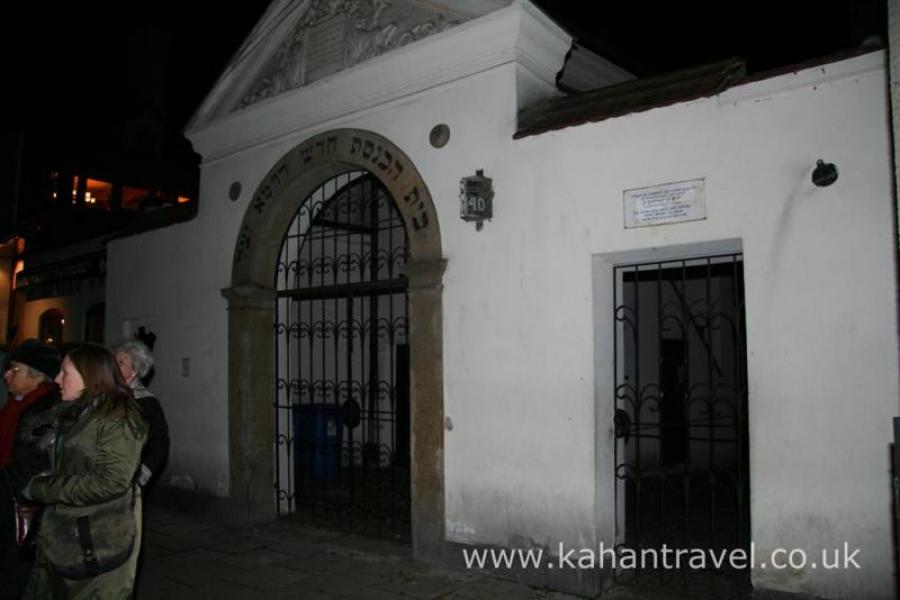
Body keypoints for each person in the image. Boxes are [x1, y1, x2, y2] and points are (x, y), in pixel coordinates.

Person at [23, 344, 147, 600]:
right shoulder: (79, 413)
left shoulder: (115, 419)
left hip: (95, 540)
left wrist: (43, 488)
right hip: (67, 535)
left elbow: (111, 482)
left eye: (65, 372)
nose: (57, 379)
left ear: (90, 377)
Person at [0, 339, 62, 600]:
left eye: (15, 370)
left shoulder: (44, 411)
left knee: (16, 574)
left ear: (36, 376)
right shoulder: (17, 404)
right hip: (7, 500)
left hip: (22, 509)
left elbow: (30, 467)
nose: (6, 375)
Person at [115, 340, 169, 491]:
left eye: (120, 363)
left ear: (135, 371)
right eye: (113, 361)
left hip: (128, 480)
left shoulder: (146, 402)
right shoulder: (104, 395)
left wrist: (142, 474)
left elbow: (159, 442)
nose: (113, 367)